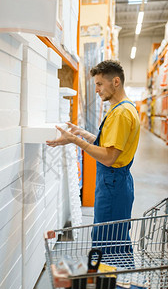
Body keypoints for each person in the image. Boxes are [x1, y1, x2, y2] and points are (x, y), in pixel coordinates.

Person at [46, 60, 140, 260]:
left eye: (99, 84)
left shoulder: (121, 113)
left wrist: (75, 141)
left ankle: (113, 285)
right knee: (116, 239)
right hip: (116, 182)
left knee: (108, 241)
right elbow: (109, 144)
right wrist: (82, 134)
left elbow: (108, 157)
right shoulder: (122, 108)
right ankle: (119, 283)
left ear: (115, 81)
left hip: (113, 183)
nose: (96, 89)